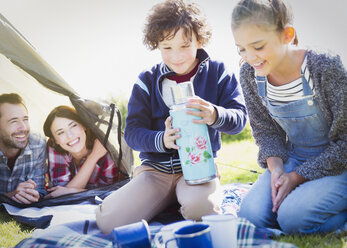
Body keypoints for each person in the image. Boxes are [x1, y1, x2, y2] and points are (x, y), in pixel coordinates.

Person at [95, 0, 247, 233]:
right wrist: (162, 140)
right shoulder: (146, 80)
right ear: (157, 45)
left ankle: (185, 200)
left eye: (184, 45)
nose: (177, 56)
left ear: (199, 40)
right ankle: (168, 201)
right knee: (108, 222)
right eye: (167, 47)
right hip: (155, 172)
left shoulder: (218, 72)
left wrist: (214, 114)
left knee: (202, 209)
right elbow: (133, 133)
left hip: (199, 171)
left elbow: (239, 118)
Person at [231, 0, 347, 234]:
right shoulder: (250, 74)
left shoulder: (324, 68)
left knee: (292, 219)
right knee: (251, 216)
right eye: (241, 48)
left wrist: (296, 178)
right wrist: (277, 172)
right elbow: (266, 131)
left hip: (339, 163)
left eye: (258, 46)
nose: (250, 57)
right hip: (295, 157)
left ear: (286, 35)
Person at [43, 105, 120, 198]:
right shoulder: (54, 147)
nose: (70, 135)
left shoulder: (105, 149)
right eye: (60, 132)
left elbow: (108, 194)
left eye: (73, 126)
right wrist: (93, 157)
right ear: (55, 140)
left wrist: (69, 191)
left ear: (84, 125)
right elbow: (59, 193)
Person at [0, 93, 47, 204]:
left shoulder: (38, 144)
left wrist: (33, 195)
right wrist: (10, 196)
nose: (24, 127)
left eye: (25, 119)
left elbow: (40, 189)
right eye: (14, 121)